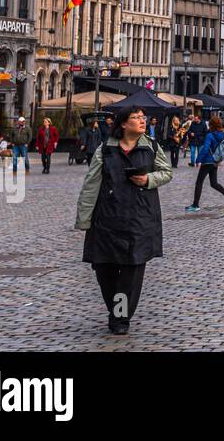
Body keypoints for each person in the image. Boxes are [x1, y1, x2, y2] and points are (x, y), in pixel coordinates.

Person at [75, 107, 172, 335]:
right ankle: (116, 310)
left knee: (131, 271)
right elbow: (91, 184)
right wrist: (84, 219)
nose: (142, 121)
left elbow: (166, 172)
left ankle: (119, 318)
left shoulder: (151, 147)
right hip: (107, 218)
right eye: (136, 118)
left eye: (143, 118)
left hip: (139, 218)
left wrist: (148, 179)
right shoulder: (106, 149)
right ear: (123, 124)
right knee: (103, 267)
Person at [185, 117, 224, 213]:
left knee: (199, 182)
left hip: (207, 161)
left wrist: (198, 159)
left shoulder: (210, 135)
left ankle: (195, 205)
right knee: (214, 183)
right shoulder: (221, 135)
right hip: (215, 161)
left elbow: (205, 149)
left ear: (211, 125)